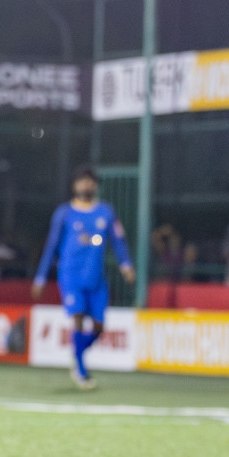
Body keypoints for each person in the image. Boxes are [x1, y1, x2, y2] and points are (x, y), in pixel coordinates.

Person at [32, 166, 134, 390]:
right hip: (70, 275)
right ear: (74, 186)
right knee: (77, 316)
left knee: (99, 327)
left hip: (96, 278)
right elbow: (52, 245)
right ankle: (81, 369)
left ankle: (77, 352)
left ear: (95, 185)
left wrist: (126, 264)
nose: (86, 185)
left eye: (89, 182)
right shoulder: (64, 213)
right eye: (81, 182)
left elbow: (117, 240)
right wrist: (40, 277)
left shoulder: (106, 212)